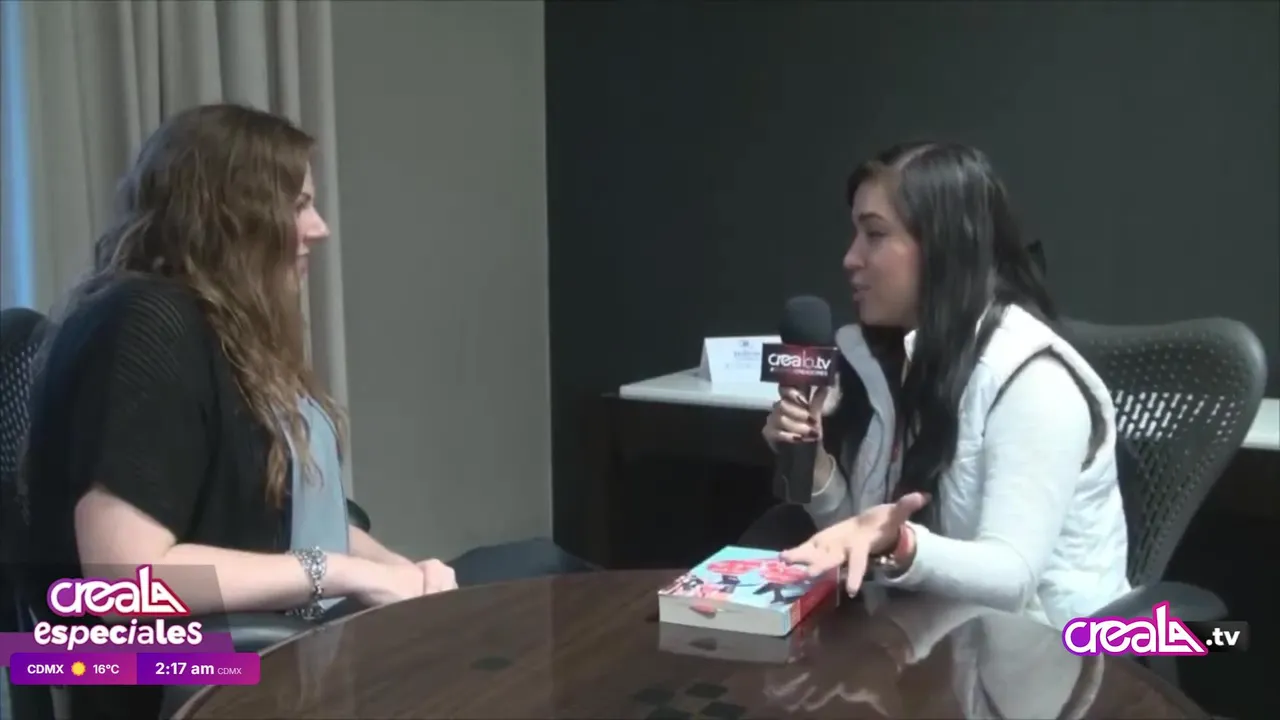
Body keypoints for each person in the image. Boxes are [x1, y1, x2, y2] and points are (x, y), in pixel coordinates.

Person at [18, 104, 591, 717]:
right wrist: (337, 573)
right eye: (297, 206)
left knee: (540, 567)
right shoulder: (147, 324)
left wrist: (405, 576)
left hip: (269, 637)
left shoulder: (223, 329)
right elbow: (125, 583)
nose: (319, 229)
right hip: (161, 671)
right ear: (229, 215)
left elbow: (294, 517)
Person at [752, 142, 1131, 629]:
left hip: (1051, 654)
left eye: (874, 234)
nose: (850, 258)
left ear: (944, 247)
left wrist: (903, 544)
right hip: (928, 639)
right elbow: (863, 539)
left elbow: (1013, 576)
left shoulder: (1035, 381)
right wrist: (817, 464)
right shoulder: (884, 363)